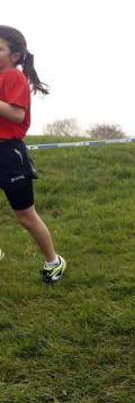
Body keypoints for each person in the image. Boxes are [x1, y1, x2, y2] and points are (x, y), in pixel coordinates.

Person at [0, 26, 67, 283]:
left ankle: (54, 261)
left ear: (14, 56)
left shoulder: (14, 78)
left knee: (26, 216)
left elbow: (17, 115)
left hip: (9, 154)